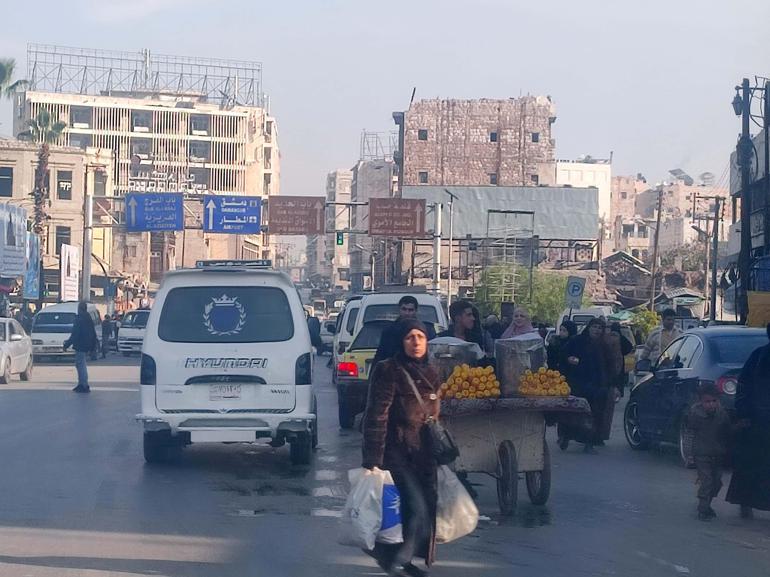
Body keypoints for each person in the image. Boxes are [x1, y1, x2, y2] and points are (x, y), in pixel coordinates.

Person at [363, 319, 439, 576]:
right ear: (400, 341)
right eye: (410, 337)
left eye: (421, 336)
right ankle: (396, 561)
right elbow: (376, 415)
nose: (416, 342)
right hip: (395, 452)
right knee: (415, 506)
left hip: (424, 455)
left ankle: (399, 559)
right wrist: (372, 459)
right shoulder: (389, 370)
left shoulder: (432, 372)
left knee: (419, 511)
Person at [726, 323, 770, 519]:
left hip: (757, 420)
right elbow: (745, 386)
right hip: (758, 421)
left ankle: (747, 502)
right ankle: (745, 502)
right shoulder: (759, 357)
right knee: (752, 464)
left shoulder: (758, 356)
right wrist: (745, 413)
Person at [562, 317, 612, 453]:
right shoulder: (577, 341)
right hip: (577, 382)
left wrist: (612, 385)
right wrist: (569, 359)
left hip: (597, 385)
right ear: (589, 328)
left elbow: (609, 366)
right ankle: (565, 436)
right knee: (573, 412)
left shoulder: (604, 346)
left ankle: (589, 442)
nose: (597, 330)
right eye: (594, 327)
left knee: (594, 413)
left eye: (600, 328)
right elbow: (564, 353)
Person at [687, 383, 731, 521]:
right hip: (701, 454)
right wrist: (689, 454)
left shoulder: (722, 415)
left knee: (717, 482)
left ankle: (708, 504)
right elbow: (689, 434)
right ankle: (703, 508)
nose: (711, 404)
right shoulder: (695, 415)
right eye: (707, 401)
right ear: (700, 401)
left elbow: (727, 432)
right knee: (706, 481)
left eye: (714, 401)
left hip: (718, 454)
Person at [371, 296, 436, 369]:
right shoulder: (389, 331)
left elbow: (431, 355)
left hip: (419, 371)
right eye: (404, 309)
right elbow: (381, 354)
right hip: (394, 372)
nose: (407, 313)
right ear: (399, 310)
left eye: (410, 310)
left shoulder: (425, 330)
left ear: (416, 311)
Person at [63, 301, 98, 393]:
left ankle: (83, 385)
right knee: (81, 364)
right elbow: (93, 333)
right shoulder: (88, 318)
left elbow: (75, 333)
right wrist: (93, 346)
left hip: (80, 344)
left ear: (80, 309)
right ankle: (81, 384)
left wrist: (67, 344)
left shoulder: (80, 319)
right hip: (87, 344)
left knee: (81, 365)